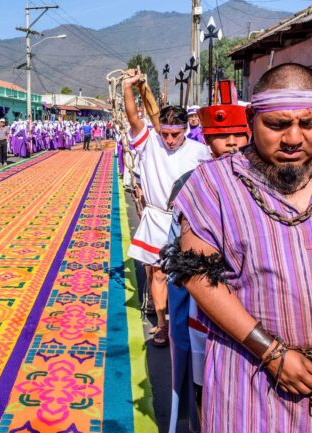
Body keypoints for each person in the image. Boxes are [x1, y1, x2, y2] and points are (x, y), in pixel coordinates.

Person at [167, 63, 312, 432]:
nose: (293, 138)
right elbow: (195, 275)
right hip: (250, 380)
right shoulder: (213, 184)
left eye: (308, 124)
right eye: (277, 125)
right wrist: (273, 355)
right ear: (252, 118)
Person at [162, 85, 251, 433]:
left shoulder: (268, 182)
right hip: (203, 314)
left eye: (238, 135)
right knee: (207, 390)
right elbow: (176, 258)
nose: (231, 143)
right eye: (221, 136)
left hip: (257, 307)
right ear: (208, 139)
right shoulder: (189, 185)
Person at [123, 68, 211, 347]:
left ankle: (188, 319)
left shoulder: (200, 152)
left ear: (186, 130)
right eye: (166, 134)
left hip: (187, 221)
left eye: (176, 134)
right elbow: (133, 117)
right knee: (158, 272)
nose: (170, 140)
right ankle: (162, 325)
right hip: (156, 217)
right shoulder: (150, 143)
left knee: (187, 275)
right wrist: (128, 87)